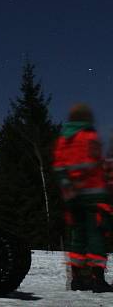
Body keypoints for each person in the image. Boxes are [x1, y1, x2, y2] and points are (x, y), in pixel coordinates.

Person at [53, 103, 113, 292]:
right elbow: (94, 163)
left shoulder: (63, 139)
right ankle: (97, 279)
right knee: (96, 235)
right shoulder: (89, 136)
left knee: (77, 236)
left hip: (72, 196)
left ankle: (77, 279)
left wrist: (68, 187)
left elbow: (59, 167)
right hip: (93, 195)